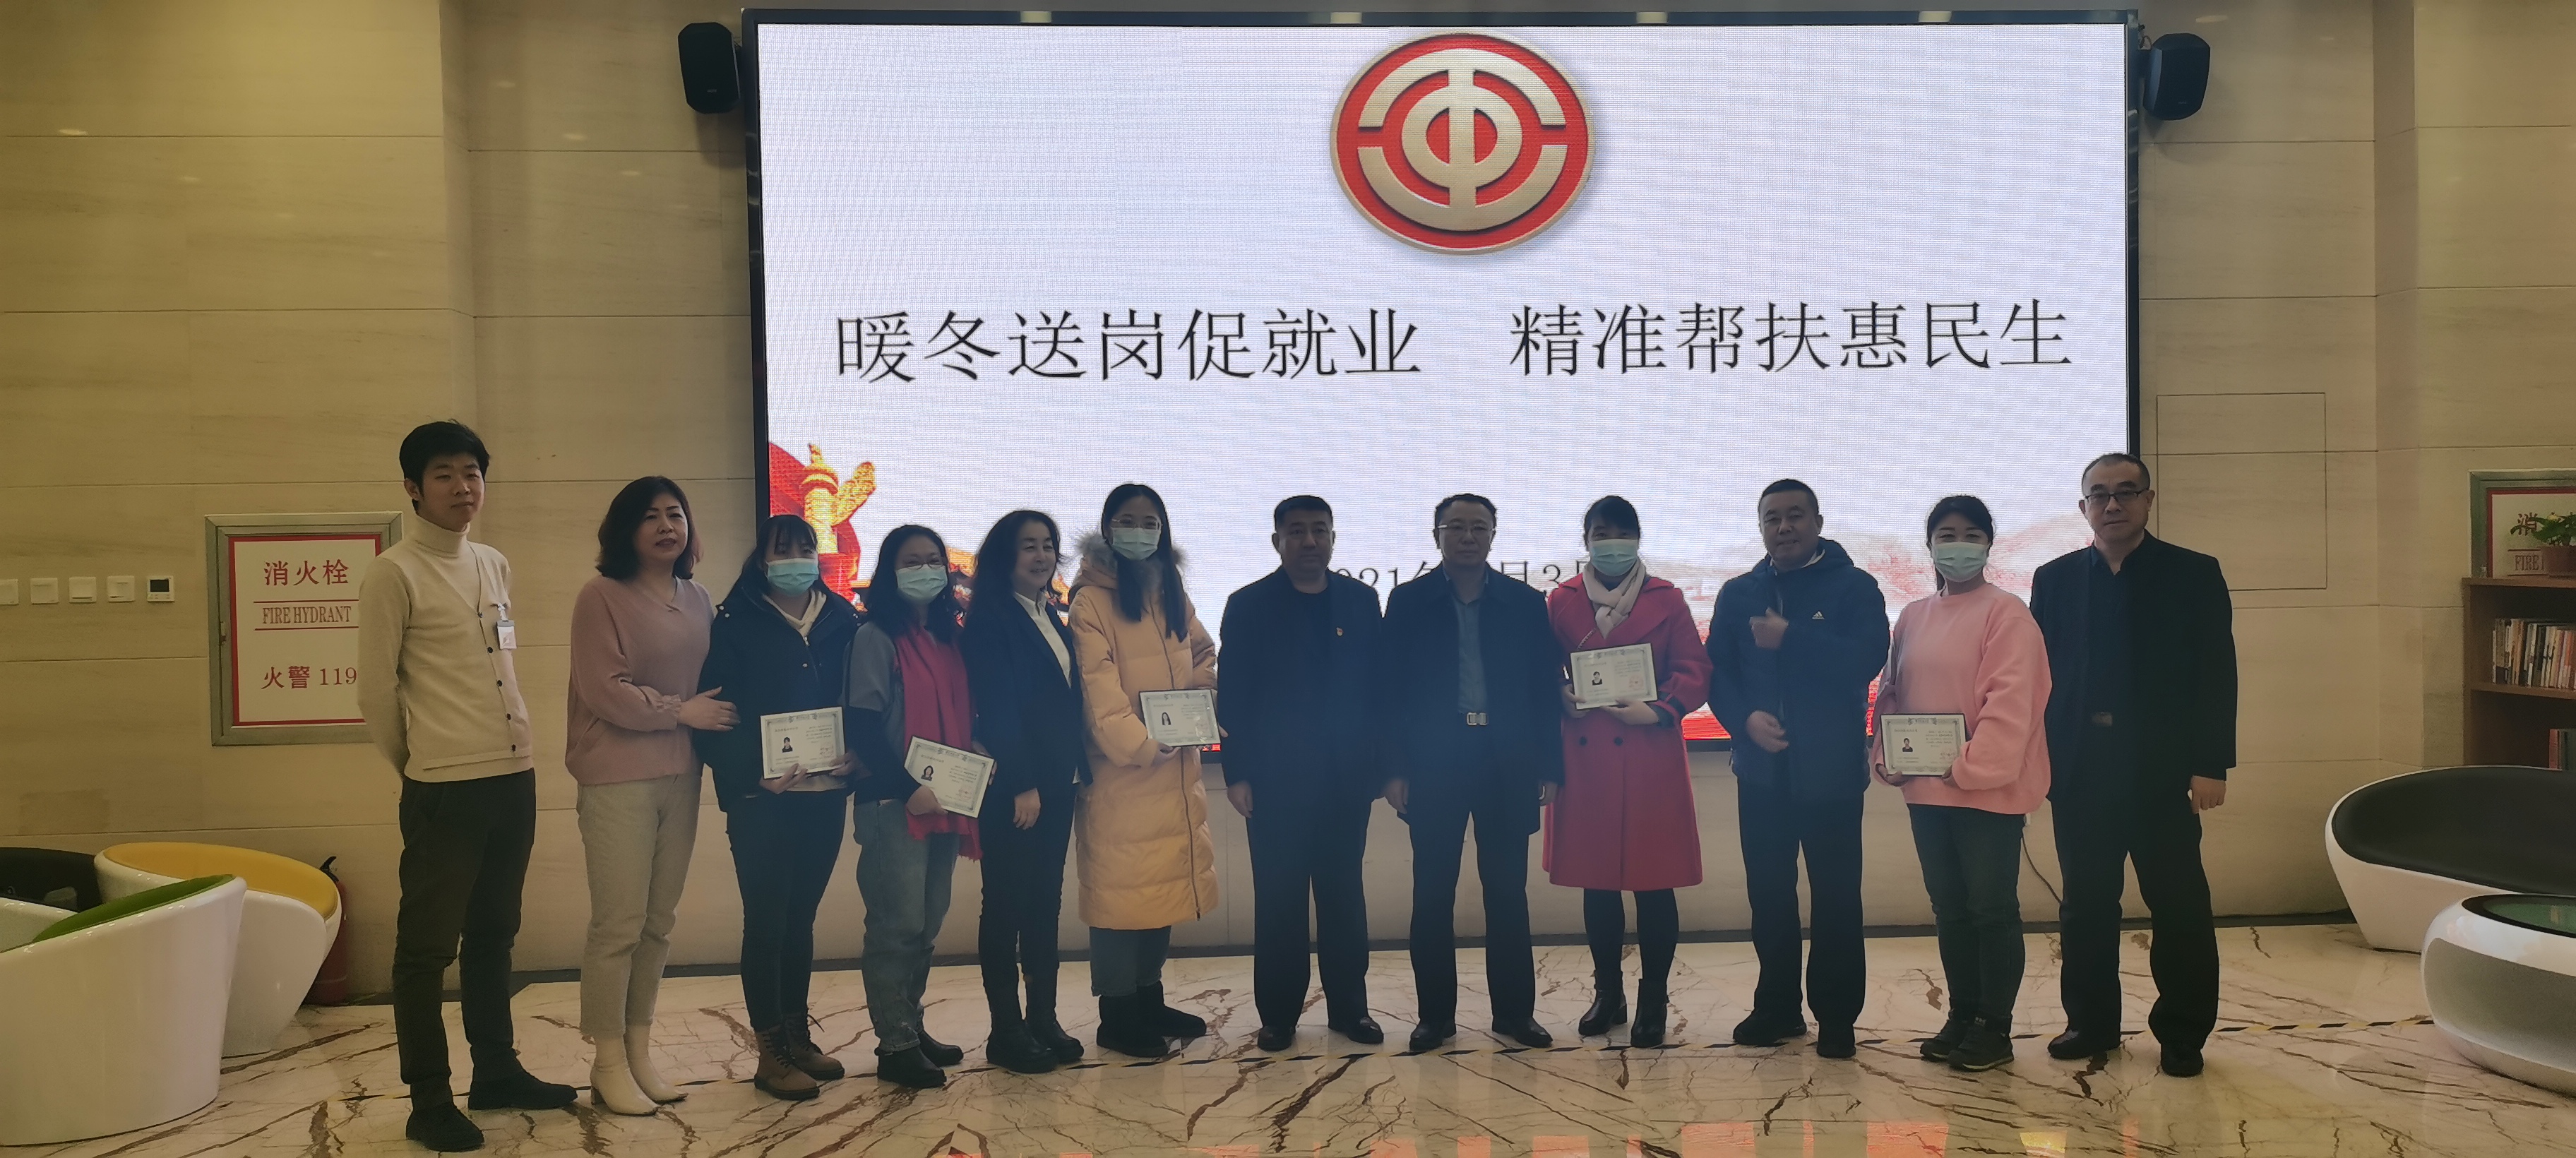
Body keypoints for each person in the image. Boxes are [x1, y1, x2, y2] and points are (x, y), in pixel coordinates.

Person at [356, 422, 575, 1153]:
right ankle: (428, 1098)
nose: (463, 487)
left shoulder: (492, 562)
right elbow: (375, 692)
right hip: (445, 787)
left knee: (493, 934)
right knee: (425, 950)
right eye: (444, 474)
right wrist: (420, 766)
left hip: (513, 775)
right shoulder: (394, 573)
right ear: (413, 488)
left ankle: (497, 1070)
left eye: (473, 473)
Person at [2029, 453, 2236, 1078]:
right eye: (2099, 494)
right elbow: (2039, 679)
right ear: (2083, 508)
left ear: (2149, 499)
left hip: (2162, 771)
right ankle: (2091, 1023)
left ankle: (2183, 1034)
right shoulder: (2055, 579)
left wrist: (2211, 763)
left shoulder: (2193, 573)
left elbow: (2216, 674)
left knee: (2180, 905)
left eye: (2126, 491)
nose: (2112, 503)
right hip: (2081, 769)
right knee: (2086, 907)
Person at [1704, 478, 1890, 1060]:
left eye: (1795, 516)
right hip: (1761, 773)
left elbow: (1867, 658)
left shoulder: (1854, 586)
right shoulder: (1739, 592)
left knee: (1836, 898)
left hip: (1832, 774)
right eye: (1772, 518)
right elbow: (1717, 673)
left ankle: (1837, 1017)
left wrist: (1793, 637)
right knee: (1769, 896)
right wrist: (1743, 721)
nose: (1783, 527)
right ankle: (1777, 1008)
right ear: (1761, 527)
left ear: (1817, 522)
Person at [565, 477, 734, 1114]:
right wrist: (678, 711)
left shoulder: (699, 597)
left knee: (658, 924)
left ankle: (638, 1053)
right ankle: (606, 1062)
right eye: (651, 517)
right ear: (626, 529)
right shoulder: (600, 596)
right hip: (617, 775)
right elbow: (603, 688)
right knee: (618, 925)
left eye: (676, 514)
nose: (667, 526)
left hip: (682, 773)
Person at [1869, 495, 2051, 1073]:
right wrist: (1888, 755)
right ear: (1929, 546)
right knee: (1950, 908)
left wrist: (1971, 765)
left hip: (1987, 792)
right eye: (1946, 535)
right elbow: (1892, 694)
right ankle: (1963, 1014)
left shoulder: (2007, 613)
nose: (1958, 546)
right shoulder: (1913, 615)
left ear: (1989, 545)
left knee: (1991, 909)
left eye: (1971, 535)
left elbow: (2012, 704)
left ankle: (1995, 1027)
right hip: (1927, 791)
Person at [1381, 493, 1563, 1053]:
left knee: (1507, 893)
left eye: (1478, 527)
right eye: (1455, 527)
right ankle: (1435, 1018)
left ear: (1493, 534)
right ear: (1436, 534)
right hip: (1434, 762)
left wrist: (1549, 765)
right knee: (1432, 894)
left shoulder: (1525, 602)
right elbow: (1388, 693)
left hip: (1506, 761)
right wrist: (1394, 768)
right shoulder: (1408, 601)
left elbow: (1543, 688)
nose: (1467, 536)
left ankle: (1514, 1014)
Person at [696, 514, 861, 1102]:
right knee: (767, 923)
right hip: (761, 801)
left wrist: (858, 753)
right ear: (761, 559)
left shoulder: (843, 619)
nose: (795, 559)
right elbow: (714, 717)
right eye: (782, 549)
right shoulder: (735, 622)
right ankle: (770, 1055)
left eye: (805, 548)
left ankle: (797, 1037)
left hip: (824, 795)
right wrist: (752, 775)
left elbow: (861, 703)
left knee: (800, 920)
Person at [1217, 495, 1387, 1053]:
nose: (1309, 541)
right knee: (1279, 901)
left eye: (1319, 530)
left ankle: (1350, 1009)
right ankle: (1279, 1016)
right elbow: (1234, 694)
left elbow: (1378, 691)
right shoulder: (1248, 605)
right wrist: (1237, 772)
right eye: (1297, 532)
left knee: (1344, 898)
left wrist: (1382, 767)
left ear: (1334, 538)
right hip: (1274, 782)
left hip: (1346, 779)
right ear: (1278, 542)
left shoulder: (1361, 602)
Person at [1544, 496, 1713, 1048]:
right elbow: (1540, 668)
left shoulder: (1667, 597)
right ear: (1586, 539)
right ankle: (1608, 994)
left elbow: (1695, 669)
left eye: (1621, 532)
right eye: (1601, 532)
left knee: (1655, 884)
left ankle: (1653, 999)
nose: (1611, 542)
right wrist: (1559, 694)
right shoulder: (1560, 600)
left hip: (1649, 754)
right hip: (1586, 757)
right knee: (1597, 884)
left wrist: (1661, 708)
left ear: (1638, 539)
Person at [1067, 484, 1221, 1058]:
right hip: (1123, 775)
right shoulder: (1090, 601)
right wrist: (1144, 743)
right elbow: (1098, 695)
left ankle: (1148, 999)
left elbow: (1203, 654)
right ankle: (1116, 1014)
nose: (1139, 531)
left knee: (1160, 889)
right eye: (1127, 521)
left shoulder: (1169, 590)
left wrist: (1197, 707)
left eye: (1150, 521)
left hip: (1175, 772)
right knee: (1119, 899)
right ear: (1107, 529)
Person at [843, 525, 980, 1089]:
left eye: (933, 560)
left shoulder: (951, 639)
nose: (925, 571)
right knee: (895, 926)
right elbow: (862, 726)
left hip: (944, 801)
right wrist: (907, 789)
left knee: (926, 924)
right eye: (911, 561)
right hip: (893, 802)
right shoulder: (875, 637)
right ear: (889, 572)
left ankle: (911, 1024)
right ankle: (894, 1044)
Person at [961, 510, 1089, 1075]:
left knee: (1044, 905)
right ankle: (1006, 1030)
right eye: (1028, 546)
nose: (1041, 556)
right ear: (1004, 557)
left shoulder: (1049, 614)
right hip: (1018, 790)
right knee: (1006, 908)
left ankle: (1043, 1019)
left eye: (1048, 546)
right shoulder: (989, 620)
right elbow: (999, 711)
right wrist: (1022, 784)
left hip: (1058, 784)